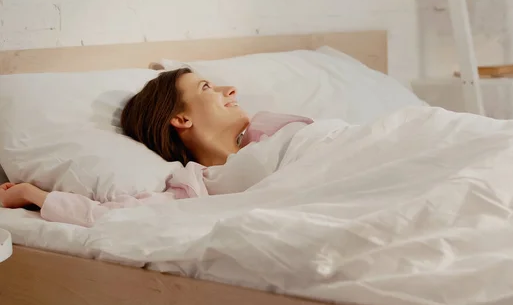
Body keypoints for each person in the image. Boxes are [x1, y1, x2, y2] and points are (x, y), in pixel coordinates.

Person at [0, 68, 314, 227]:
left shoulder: (276, 128)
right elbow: (108, 217)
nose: (230, 90)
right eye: (206, 87)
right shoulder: (192, 186)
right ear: (180, 118)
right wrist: (32, 194)